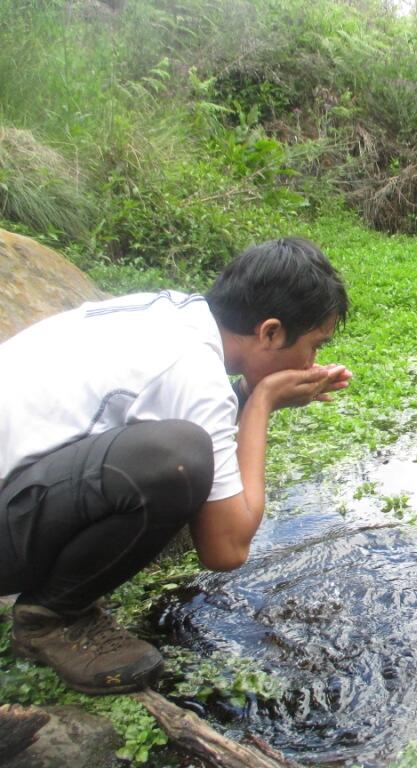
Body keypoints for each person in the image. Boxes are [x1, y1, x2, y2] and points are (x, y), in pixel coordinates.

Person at [0, 236, 352, 694]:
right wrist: (262, 400)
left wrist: (244, 396)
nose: (314, 361)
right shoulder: (191, 369)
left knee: (176, 451)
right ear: (269, 332)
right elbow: (227, 550)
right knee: (177, 459)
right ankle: (54, 619)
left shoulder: (172, 314)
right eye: (314, 344)